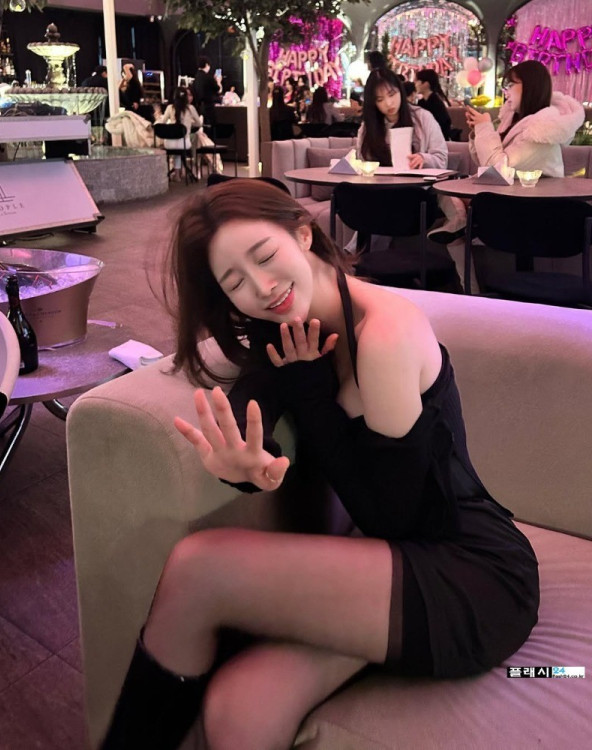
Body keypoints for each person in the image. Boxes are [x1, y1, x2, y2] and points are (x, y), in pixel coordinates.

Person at [101, 179, 540, 750]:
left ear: (303, 233)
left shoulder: (382, 337)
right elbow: (259, 397)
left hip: (469, 573)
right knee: (240, 709)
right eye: (235, 282)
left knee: (198, 567)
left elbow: (395, 516)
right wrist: (244, 463)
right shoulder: (291, 323)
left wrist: (308, 391)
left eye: (265, 256)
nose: (262, 287)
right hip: (397, 559)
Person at [429, 60, 585, 290]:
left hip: (534, 213)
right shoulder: (516, 122)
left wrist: (485, 128)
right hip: (510, 201)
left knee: (461, 208)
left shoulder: (541, 129)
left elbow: (498, 168)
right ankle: (469, 281)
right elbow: (490, 164)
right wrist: (478, 132)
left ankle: (471, 286)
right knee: (445, 194)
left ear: (530, 86)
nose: (506, 92)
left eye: (511, 85)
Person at [357, 66, 448, 169]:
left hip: (416, 178)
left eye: (392, 94)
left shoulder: (422, 117)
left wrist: (424, 159)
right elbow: (361, 162)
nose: (388, 103)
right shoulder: (368, 126)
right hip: (378, 179)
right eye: (380, 100)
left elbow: (442, 159)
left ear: (400, 90)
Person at [158, 86, 202, 179]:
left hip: (169, 144)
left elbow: (162, 123)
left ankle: (177, 175)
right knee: (182, 145)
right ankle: (190, 170)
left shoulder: (169, 107)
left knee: (177, 151)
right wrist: (190, 124)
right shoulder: (190, 108)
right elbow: (199, 123)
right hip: (184, 143)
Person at [415, 69, 451, 140]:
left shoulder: (436, 102)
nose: (415, 84)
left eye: (416, 81)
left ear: (426, 84)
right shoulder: (421, 102)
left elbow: (443, 125)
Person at [191, 56, 222, 127]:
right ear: (206, 65)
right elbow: (219, 90)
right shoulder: (208, 77)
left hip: (199, 108)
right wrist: (218, 81)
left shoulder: (196, 77)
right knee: (212, 127)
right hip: (209, 108)